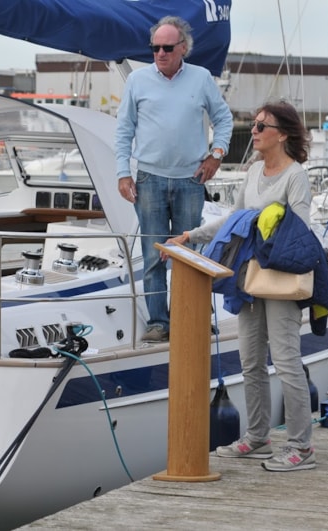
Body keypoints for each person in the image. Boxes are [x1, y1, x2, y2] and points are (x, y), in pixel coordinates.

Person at [166, 101, 316, 471]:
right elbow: (232, 219)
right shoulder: (253, 172)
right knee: (250, 361)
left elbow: (300, 230)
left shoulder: (296, 176)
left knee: (286, 362)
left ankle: (301, 447)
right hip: (248, 279)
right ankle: (258, 437)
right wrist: (191, 236)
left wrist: (263, 222)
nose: (254, 130)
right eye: (254, 123)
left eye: (262, 125)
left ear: (282, 134)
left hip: (279, 279)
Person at [115, 16, 233, 343]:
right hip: (149, 179)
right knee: (153, 256)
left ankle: (193, 316)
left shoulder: (201, 78)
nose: (160, 54)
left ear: (183, 48)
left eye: (167, 48)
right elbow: (123, 130)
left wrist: (217, 154)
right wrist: (123, 173)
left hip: (190, 180)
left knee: (191, 253)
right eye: (155, 48)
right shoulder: (137, 81)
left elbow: (224, 119)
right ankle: (159, 322)